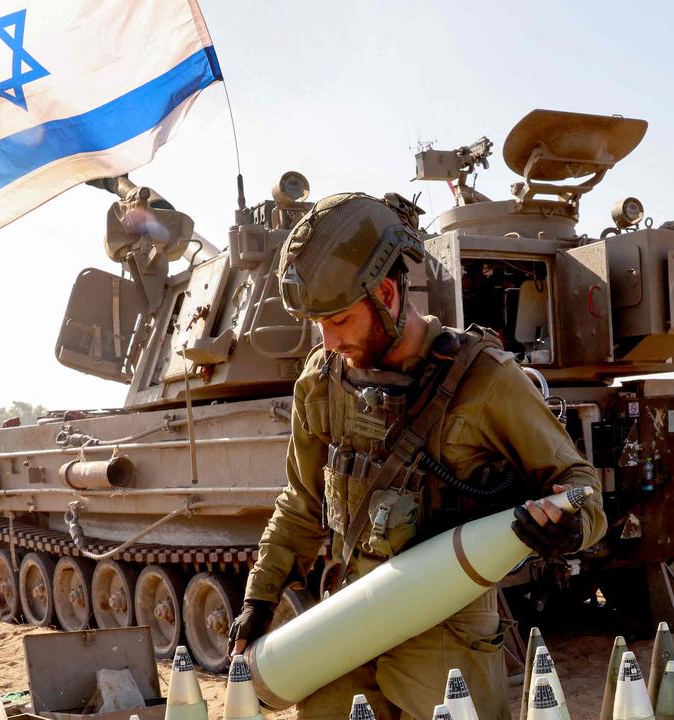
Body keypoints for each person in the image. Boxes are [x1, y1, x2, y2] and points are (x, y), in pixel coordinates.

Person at [228, 192, 607, 720]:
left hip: (446, 637)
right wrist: (259, 597)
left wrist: (570, 526)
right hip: (342, 627)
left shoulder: (488, 380)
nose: (327, 339)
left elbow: (580, 484)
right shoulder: (320, 380)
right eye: (318, 323)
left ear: (385, 293)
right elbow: (301, 502)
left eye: (338, 319)